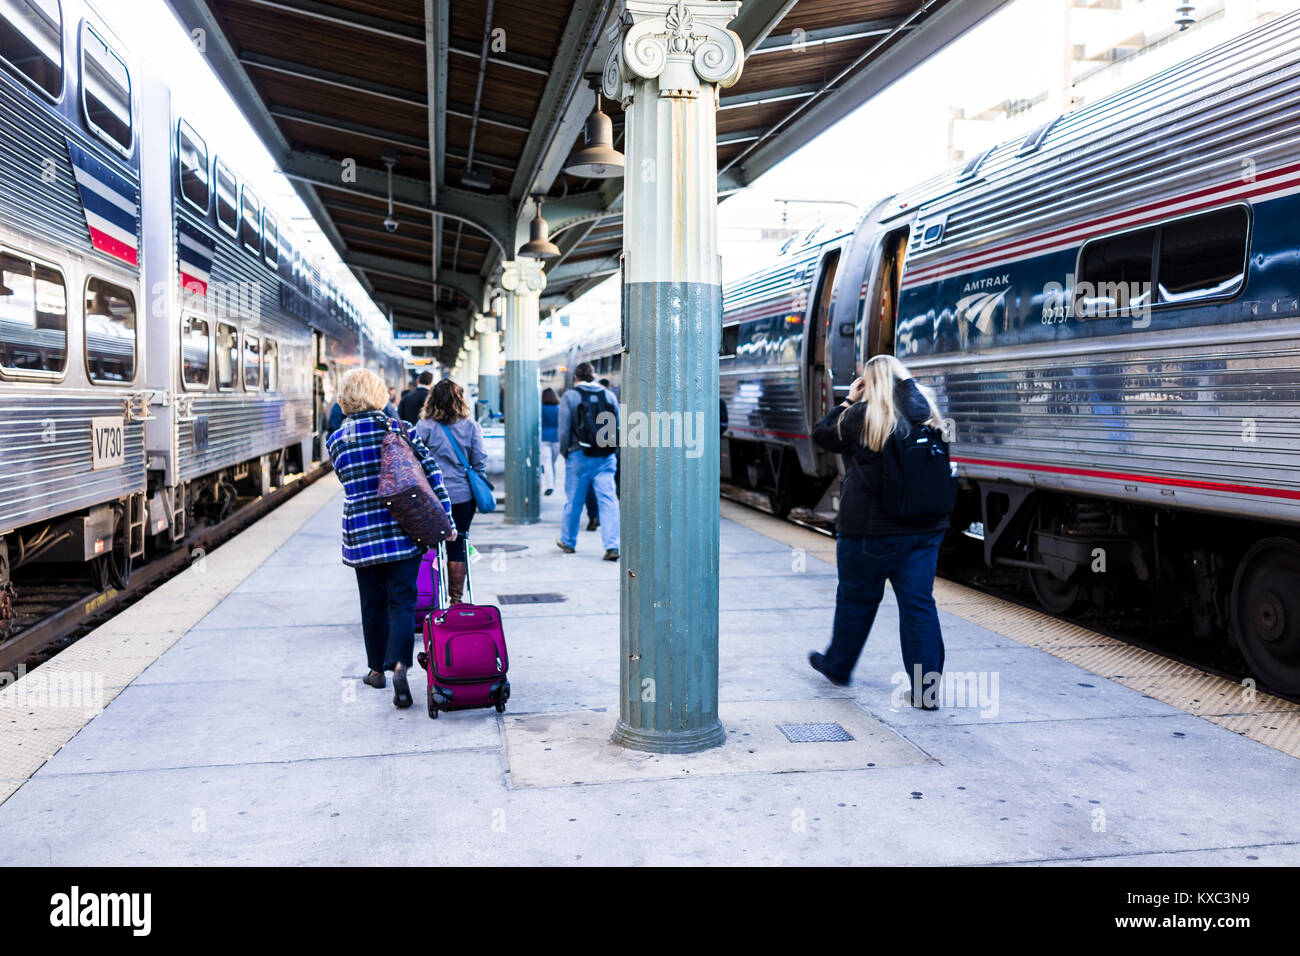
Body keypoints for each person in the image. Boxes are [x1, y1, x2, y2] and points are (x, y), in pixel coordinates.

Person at [806, 354, 949, 710]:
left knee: (856, 600)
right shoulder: (928, 412)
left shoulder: (863, 414)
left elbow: (822, 434)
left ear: (869, 382)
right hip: (924, 531)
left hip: (868, 531)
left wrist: (849, 398)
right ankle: (926, 691)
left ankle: (838, 666)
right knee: (918, 605)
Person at [327, 368, 456, 710]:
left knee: (372, 604)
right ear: (379, 394)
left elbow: (346, 481)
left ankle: (375, 670)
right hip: (402, 529)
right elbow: (431, 476)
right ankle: (399, 664)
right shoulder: (400, 429)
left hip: (362, 533)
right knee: (402, 601)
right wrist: (446, 518)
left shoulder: (337, 439)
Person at [415, 379, 487, 604]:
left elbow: (415, 461)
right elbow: (480, 460)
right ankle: (456, 599)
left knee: (430, 547)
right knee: (458, 546)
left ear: (432, 399)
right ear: (460, 399)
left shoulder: (423, 426)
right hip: (463, 496)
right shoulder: (470, 426)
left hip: (432, 497)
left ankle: (432, 598)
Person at [556, 361, 620, 560]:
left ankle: (568, 541)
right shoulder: (608, 395)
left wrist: (565, 453)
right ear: (594, 376)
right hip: (605, 456)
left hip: (579, 455)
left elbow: (564, 430)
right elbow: (617, 423)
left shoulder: (570, 396)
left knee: (574, 500)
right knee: (608, 500)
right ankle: (612, 546)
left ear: (576, 378)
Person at [541, 387, 561, 496]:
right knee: (552, 462)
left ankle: (550, 485)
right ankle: (552, 483)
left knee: (547, 461)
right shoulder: (558, 408)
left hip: (544, 438)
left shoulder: (541, 408)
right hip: (557, 438)